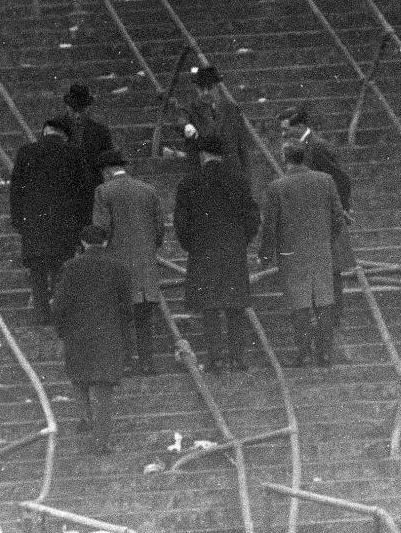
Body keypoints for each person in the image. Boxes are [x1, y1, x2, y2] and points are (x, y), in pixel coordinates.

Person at [174, 134, 260, 373]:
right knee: (235, 307)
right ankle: (238, 359)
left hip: (203, 253)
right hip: (233, 251)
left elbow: (181, 222)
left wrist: (192, 245)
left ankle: (215, 360)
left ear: (202, 155)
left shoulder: (189, 182)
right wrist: (242, 240)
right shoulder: (239, 180)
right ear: (222, 155)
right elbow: (253, 216)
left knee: (209, 307)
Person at [259, 141, 348, 367]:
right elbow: (339, 218)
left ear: (285, 158)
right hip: (321, 250)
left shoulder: (276, 187)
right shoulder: (325, 181)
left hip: (291, 253)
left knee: (300, 304)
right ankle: (324, 353)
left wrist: (266, 253)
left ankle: (303, 353)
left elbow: (269, 225)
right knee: (324, 301)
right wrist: (325, 239)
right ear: (305, 157)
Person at [53, 225, 135, 455]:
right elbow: (127, 309)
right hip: (108, 335)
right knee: (104, 389)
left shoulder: (70, 267)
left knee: (79, 378)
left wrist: (61, 332)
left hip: (77, 334)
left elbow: (59, 305)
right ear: (106, 242)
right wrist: (125, 337)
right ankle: (101, 442)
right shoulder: (120, 268)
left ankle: (85, 417)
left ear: (83, 243)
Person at [279, 105, 356, 329]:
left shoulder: (318, 146)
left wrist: (342, 209)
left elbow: (341, 179)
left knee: (331, 270)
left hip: (325, 217)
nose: (283, 135)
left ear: (300, 126)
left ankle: (333, 319)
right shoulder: (296, 147)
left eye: (287, 130)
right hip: (308, 219)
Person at [92, 149, 166, 375]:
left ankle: (124, 363)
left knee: (121, 318)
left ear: (106, 170)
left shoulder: (103, 192)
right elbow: (160, 229)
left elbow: (100, 230)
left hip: (118, 265)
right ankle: (148, 363)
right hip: (145, 265)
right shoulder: (148, 190)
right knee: (144, 318)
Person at [9, 118, 88, 326]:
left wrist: (19, 222)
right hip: (65, 225)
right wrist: (81, 226)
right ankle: (61, 315)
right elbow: (83, 194)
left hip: (34, 225)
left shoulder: (26, 152)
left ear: (46, 131)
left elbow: (16, 191)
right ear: (64, 135)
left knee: (37, 271)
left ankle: (41, 315)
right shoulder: (75, 153)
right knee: (61, 269)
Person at [176, 66, 251, 178]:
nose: (205, 92)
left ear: (218, 87)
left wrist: (246, 177)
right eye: (201, 88)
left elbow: (242, 145)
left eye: (209, 87)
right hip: (203, 174)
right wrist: (186, 126)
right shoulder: (190, 109)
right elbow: (181, 121)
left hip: (230, 172)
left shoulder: (232, 109)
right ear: (197, 89)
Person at [57, 83, 114, 217]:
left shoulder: (100, 131)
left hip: (91, 193)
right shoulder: (55, 129)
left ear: (89, 108)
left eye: (81, 111)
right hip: (64, 192)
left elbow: (108, 163)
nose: (77, 115)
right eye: (73, 110)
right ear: (67, 107)